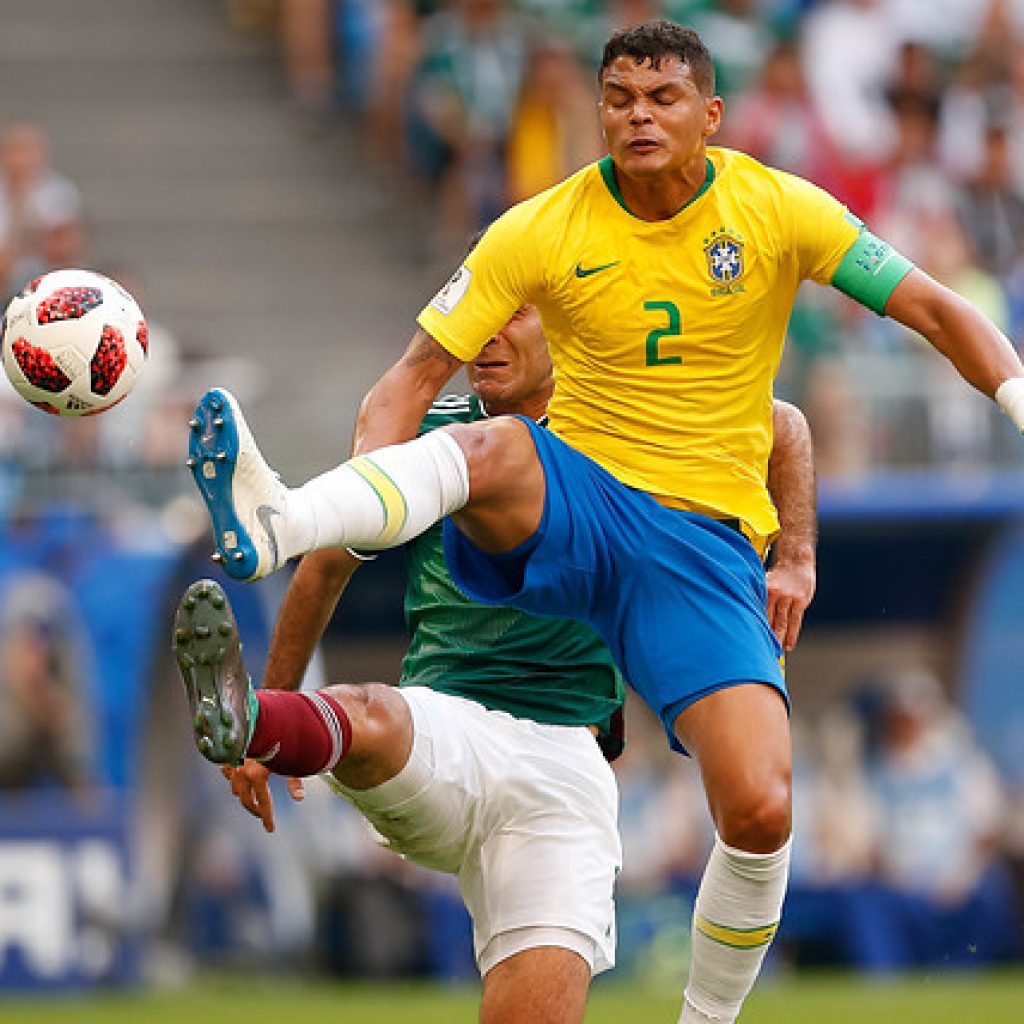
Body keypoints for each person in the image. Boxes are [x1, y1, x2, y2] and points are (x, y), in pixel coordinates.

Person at [185, 19, 1024, 1023]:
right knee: (489, 454)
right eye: (619, 97)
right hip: (558, 539)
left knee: (760, 806)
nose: (638, 115)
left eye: (662, 98)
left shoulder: (775, 211)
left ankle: (704, 1018)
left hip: (673, 585)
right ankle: (274, 520)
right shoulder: (537, 239)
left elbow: (892, 341)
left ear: (710, 115)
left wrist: (796, 549)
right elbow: (404, 389)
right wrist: (319, 522)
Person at [178, 297, 817, 1023]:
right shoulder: (433, 436)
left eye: (513, 314)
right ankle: (253, 715)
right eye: (479, 317)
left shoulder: (638, 428)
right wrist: (265, 724)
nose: (487, 335)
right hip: (445, 731)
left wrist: (794, 557)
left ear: (567, 326)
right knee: (371, 710)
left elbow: (784, 426)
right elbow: (325, 572)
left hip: (566, 771)